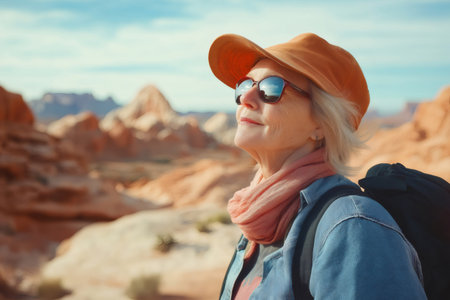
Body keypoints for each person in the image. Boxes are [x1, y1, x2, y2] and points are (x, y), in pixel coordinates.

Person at [208, 33, 427, 300]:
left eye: (270, 89)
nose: (247, 98)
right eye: (244, 85)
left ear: (321, 124)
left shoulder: (352, 228)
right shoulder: (258, 217)